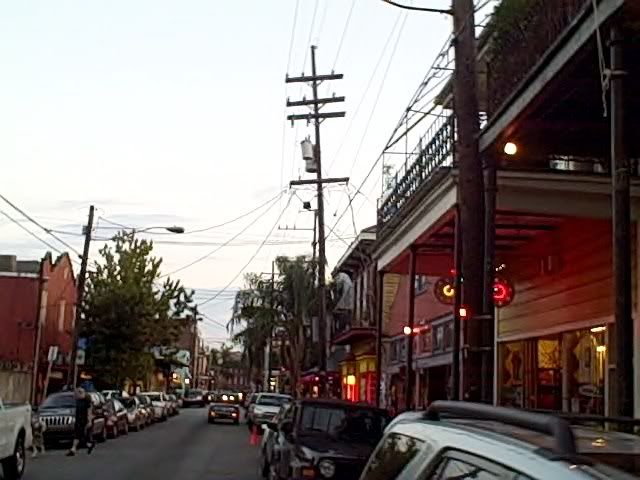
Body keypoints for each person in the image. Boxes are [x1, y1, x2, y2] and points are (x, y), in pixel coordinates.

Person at [67, 388, 95, 456]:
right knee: (79, 435)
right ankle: (88, 445)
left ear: (81, 393)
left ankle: (73, 449)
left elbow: (89, 411)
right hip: (78, 420)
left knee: (79, 435)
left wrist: (89, 421)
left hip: (84, 420)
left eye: (77, 394)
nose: (76, 395)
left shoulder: (87, 401)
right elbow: (77, 411)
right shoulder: (78, 401)